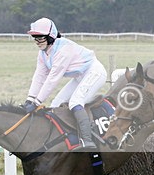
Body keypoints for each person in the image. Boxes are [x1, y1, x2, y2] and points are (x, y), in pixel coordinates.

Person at [24, 17, 107, 150]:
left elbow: (53, 79)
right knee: (55, 104)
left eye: (40, 37)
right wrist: (29, 99)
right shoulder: (43, 53)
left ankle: (87, 141)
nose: (37, 41)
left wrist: (37, 102)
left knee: (75, 101)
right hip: (80, 76)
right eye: (35, 38)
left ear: (50, 36)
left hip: (94, 72)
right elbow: (39, 76)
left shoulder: (63, 49)